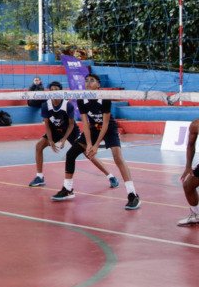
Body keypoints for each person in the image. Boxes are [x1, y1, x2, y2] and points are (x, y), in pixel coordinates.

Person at [51, 73, 141, 210]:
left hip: (108, 128)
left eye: (92, 80)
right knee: (71, 154)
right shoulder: (81, 99)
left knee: (118, 157)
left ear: (98, 84)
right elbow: (86, 123)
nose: (88, 83)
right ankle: (67, 189)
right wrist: (88, 144)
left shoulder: (104, 98)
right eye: (86, 80)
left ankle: (132, 194)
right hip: (93, 128)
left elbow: (105, 124)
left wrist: (96, 145)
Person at [28, 81, 118, 189]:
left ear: (61, 91)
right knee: (39, 145)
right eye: (52, 90)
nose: (54, 92)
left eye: (56, 89)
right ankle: (39, 177)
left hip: (70, 131)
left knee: (87, 153)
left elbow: (71, 125)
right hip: (55, 130)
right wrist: (51, 140)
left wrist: (64, 139)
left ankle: (110, 176)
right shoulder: (45, 105)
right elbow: (47, 125)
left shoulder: (67, 105)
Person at [178, 118, 199, 226]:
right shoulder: (196, 125)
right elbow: (190, 145)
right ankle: (196, 214)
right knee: (188, 185)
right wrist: (188, 167)